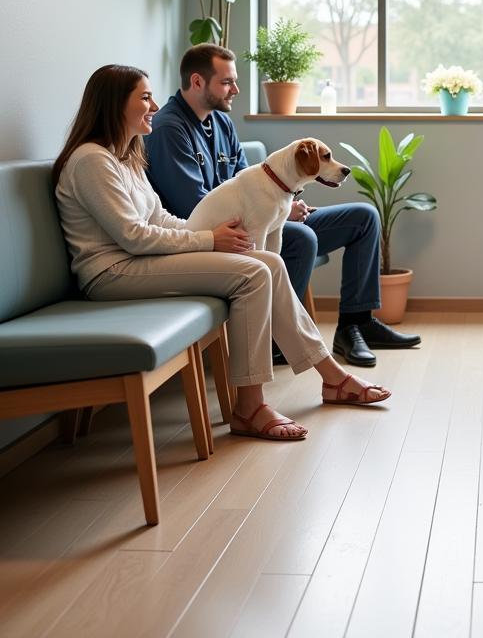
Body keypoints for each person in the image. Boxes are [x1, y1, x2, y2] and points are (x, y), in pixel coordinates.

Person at [54, 64, 391, 441]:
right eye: (144, 97)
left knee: (271, 262)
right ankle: (249, 407)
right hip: (112, 273)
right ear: (115, 105)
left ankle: (332, 377)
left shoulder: (125, 157)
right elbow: (133, 236)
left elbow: (159, 218)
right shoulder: (91, 161)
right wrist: (208, 240)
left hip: (140, 262)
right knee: (253, 272)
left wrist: (202, 232)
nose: (153, 105)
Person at [144, 44, 420, 369]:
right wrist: (281, 210)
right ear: (197, 82)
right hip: (224, 236)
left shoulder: (222, 123)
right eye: (227, 82)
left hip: (266, 216)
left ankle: (355, 325)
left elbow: (248, 182)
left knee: (364, 217)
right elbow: (194, 205)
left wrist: (289, 202)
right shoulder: (168, 129)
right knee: (303, 239)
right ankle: (275, 340)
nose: (236, 89)